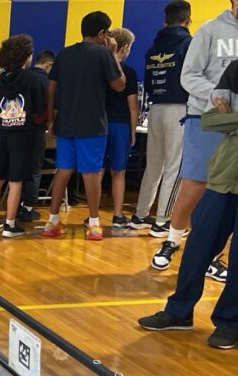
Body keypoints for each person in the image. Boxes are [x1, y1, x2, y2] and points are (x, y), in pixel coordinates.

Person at [138, 59, 238, 350]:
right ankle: (178, 311)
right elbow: (209, 119)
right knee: (198, 246)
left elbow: (225, 120)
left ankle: (230, 323)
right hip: (222, 178)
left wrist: (232, 119)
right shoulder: (234, 70)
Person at [149, 1, 237, 279]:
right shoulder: (210, 30)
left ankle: (213, 256)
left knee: (228, 194)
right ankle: (171, 241)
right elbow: (188, 76)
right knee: (196, 184)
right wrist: (217, 93)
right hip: (206, 118)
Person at [42, 11, 125, 241]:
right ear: (101, 33)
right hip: (93, 124)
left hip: (65, 122)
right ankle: (95, 223)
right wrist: (113, 54)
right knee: (91, 172)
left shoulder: (64, 54)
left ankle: (52, 221)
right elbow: (120, 85)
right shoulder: (103, 54)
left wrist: (51, 119)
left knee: (63, 170)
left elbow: (51, 88)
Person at [131, 1, 192, 234]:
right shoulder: (189, 44)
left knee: (154, 165)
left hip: (155, 109)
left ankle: (140, 215)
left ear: (164, 21)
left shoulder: (152, 49)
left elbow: (147, 83)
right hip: (180, 109)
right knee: (174, 168)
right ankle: (163, 221)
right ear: (187, 20)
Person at [0, 35, 45, 238]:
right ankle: (10, 224)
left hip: (2, 135)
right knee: (16, 181)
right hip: (22, 136)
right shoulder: (33, 79)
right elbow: (40, 108)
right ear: (26, 57)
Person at [103, 28, 139, 228]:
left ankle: (94, 216)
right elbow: (133, 105)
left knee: (97, 171)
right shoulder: (130, 72)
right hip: (121, 125)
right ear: (124, 47)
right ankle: (117, 215)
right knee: (119, 172)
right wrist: (133, 132)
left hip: (99, 124)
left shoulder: (99, 68)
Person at [18, 50, 54, 223]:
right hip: (36, 129)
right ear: (49, 65)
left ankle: (14, 206)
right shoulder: (46, 81)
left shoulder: (21, 77)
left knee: (17, 170)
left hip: (16, 130)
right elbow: (47, 108)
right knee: (34, 170)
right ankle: (28, 208)